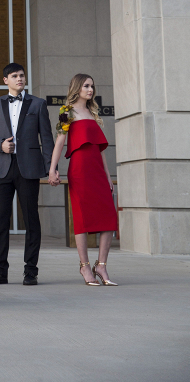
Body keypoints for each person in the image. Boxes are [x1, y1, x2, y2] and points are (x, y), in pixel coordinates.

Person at [0, 63, 54, 286]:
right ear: (6, 80)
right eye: (14, 76)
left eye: (22, 76)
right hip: (2, 168)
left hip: (29, 168)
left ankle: (31, 271)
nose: (20, 79)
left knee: (31, 219)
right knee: (0, 220)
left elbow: (47, 139)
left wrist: (51, 167)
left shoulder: (38, 104)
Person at [48, 74, 118, 287]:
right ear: (77, 87)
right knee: (82, 218)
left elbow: (100, 149)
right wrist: (53, 169)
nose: (90, 89)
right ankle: (84, 265)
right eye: (86, 85)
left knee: (109, 217)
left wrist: (108, 176)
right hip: (79, 170)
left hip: (98, 171)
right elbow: (60, 142)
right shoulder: (66, 112)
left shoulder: (93, 113)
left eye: (92, 86)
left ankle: (102, 264)